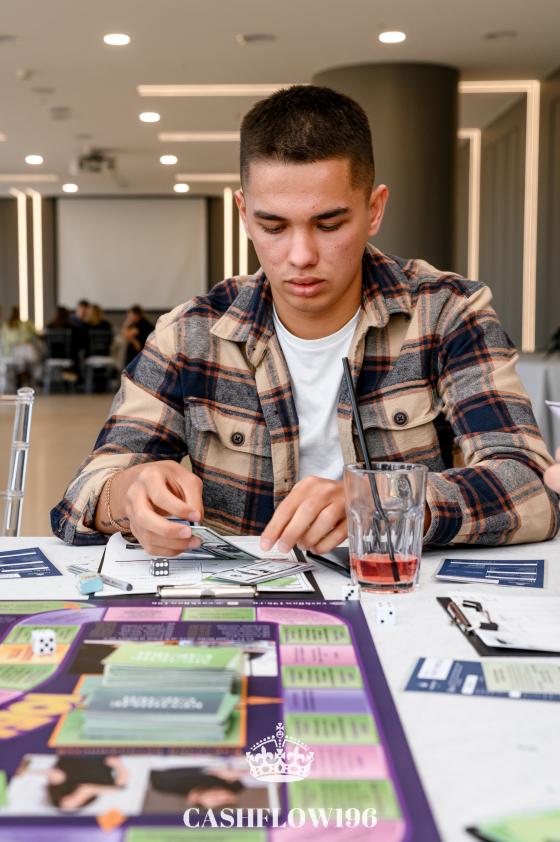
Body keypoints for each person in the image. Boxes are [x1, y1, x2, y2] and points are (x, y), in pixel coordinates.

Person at [51, 85, 559, 555]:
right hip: (242, 606)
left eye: (329, 224)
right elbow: (80, 498)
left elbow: (533, 487)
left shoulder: (447, 313)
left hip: (396, 600)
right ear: (244, 214)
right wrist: (127, 494)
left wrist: (382, 500)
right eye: (273, 226)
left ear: (374, 209)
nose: (300, 256)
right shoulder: (191, 333)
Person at [0, 307, 42, 387]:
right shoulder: (24, 325)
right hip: (13, 353)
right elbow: (33, 337)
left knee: (26, 361)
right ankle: (26, 380)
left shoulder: (6, 326)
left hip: (11, 353)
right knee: (31, 360)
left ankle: (24, 380)